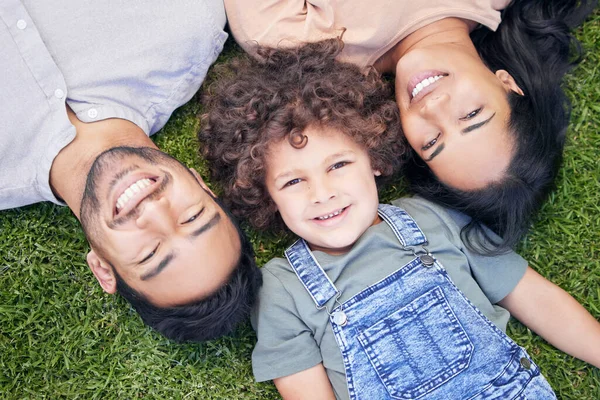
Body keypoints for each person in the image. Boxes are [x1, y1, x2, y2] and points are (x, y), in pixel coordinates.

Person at [199, 42, 600, 399]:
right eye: (292, 181)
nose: (322, 194)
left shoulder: (434, 218)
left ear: (374, 159)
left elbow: (535, 299)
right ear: (265, 194)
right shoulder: (281, 290)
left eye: (338, 164)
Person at [222, 0, 596, 252]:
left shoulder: (298, 42)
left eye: (432, 141)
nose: (433, 107)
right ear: (508, 84)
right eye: (471, 115)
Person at [0, 1, 262, 342]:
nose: (154, 210)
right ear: (202, 185)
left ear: (102, 270)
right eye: (192, 216)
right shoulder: (185, 23)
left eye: (150, 253)